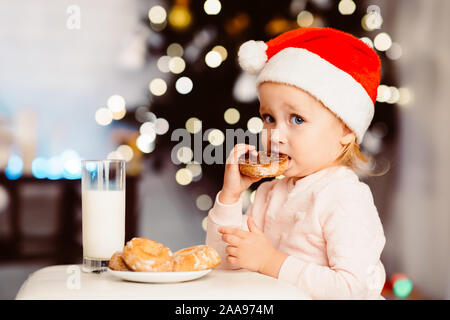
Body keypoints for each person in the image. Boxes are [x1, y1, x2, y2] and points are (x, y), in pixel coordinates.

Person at [205, 27, 387, 299]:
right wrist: (230, 196)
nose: (275, 135)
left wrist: (270, 262)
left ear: (346, 129)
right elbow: (224, 261)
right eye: (269, 118)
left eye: (297, 119)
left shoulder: (343, 196)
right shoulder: (269, 192)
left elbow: (351, 289)